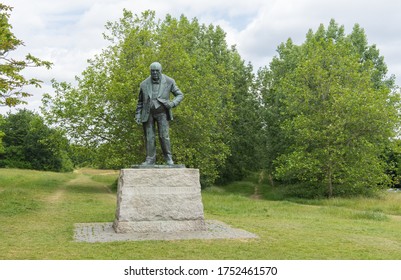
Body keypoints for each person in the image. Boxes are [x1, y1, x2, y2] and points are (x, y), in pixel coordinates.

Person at [135, 62, 184, 165]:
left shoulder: (169, 81)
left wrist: (172, 103)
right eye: (153, 71)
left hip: (162, 113)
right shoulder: (144, 84)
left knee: (164, 136)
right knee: (149, 137)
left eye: (157, 71)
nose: (155, 73)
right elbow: (140, 102)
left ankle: (168, 158)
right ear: (150, 71)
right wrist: (138, 114)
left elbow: (179, 95)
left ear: (160, 71)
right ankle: (150, 159)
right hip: (148, 114)